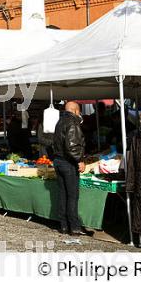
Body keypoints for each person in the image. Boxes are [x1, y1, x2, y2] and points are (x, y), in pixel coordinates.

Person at [53, 101, 87, 236]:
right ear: (76, 111)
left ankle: (64, 225)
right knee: (72, 196)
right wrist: (80, 160)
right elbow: (72, 147)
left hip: (59, 161)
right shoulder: (72, 122)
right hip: (68, 162)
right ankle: (74, 227)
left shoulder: (60, 121)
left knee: (63, 194)